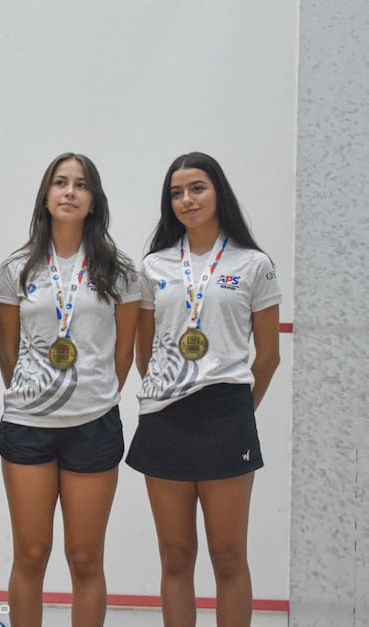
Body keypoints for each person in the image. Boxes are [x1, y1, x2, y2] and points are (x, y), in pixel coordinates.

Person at [126, 152, 281, 627]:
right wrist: (164, 394)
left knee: (229, 556)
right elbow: (143, 354)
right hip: (165, 418)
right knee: (175, 558)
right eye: (176, 193)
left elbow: (269, 355)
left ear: (218, 193)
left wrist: (238, 412)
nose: (186, 200)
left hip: (227, 415)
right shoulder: (153, 266)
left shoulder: (254, 264)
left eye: (197, 188)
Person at [0, 153, 141, 627]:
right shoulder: (15, 268)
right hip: (28, 427)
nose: (70, 192)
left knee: (84, 559)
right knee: (32, 555)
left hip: (94, 425)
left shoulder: (120, 270)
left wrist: (91, 397)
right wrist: (38, 394)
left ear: (94, 200)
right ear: (46, 195)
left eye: (80, 185)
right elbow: (7, 356)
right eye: (60, 183)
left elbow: (122, 357)